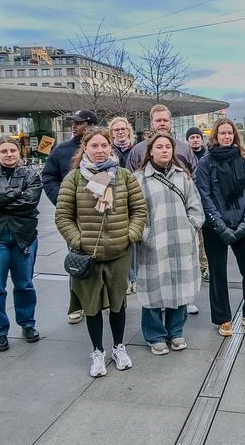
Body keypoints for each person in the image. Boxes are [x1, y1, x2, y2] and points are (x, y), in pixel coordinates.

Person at [55, 128, 146, 377]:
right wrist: (79, 240)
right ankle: (97, 351)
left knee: (118, 304)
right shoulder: (74, 178)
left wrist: (129, 236)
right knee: (92, 306)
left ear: (110, 148)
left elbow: (139, 210)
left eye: (104, 146)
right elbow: (63, 217)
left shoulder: (125, 177)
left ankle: (118, 346)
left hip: (119, 252)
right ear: (85, 149)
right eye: (94, 146)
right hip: (87, 256)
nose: (99, 150)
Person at [196, 118, 245, 334]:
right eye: (222, 133)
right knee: (218, 272)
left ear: (235, 136)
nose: (227, 137)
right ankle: (223, 319)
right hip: (215, 226)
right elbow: (204, 195)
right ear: (216, 137)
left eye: (230, 133)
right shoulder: (206, 162)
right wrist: (219, 225)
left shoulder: (242, 160)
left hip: (242, 224)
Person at [134, 132, 204, 355]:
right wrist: (144, 234)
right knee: (154, 287)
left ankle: (176, 332)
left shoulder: (183, 177)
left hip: (182, 241)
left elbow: (195, 206)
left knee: (179, 286)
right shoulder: (139, 179)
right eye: (160, 147)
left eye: (168, 147)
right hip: (153, 243)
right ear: (150, 151)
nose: (164, 150)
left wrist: (190, 225)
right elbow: (134, 211)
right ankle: (154, 335)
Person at [0, 137, 42, 352]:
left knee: (25, 284)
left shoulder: (30, 175)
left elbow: (30, 202)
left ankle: (27, 324)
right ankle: (0, 331)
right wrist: (15, 193)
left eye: (13, 150)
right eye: (4, 151)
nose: (9, 154)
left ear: (19, 152)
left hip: (24, 236)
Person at [41, 109, 97, 324]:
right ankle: (77, 305)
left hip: (100, 216)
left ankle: (102, 301)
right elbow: (48, 176)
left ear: (90, 125)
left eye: (79, 122)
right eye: (74, 123)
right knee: (77, 260)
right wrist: (61, 199)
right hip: (75, 217)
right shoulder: (62, 150)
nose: (74, 126)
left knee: (102, 261)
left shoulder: (102, 147)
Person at [126, 105, 198, 176]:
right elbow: (130, 179)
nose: (162, 123)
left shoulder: (185, 150)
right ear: (152, 124)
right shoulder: (138, 151)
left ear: (170, 122)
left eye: (165, 120)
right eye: (158, 120)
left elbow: (195, 177)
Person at [187, 127, 210, 282]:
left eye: (197, 137)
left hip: (203, 201)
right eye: (192, 137)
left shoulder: (208, 155)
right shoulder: (184, 155)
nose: (195, 139)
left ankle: (204, 267)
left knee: (203, 239)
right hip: (188, 201)